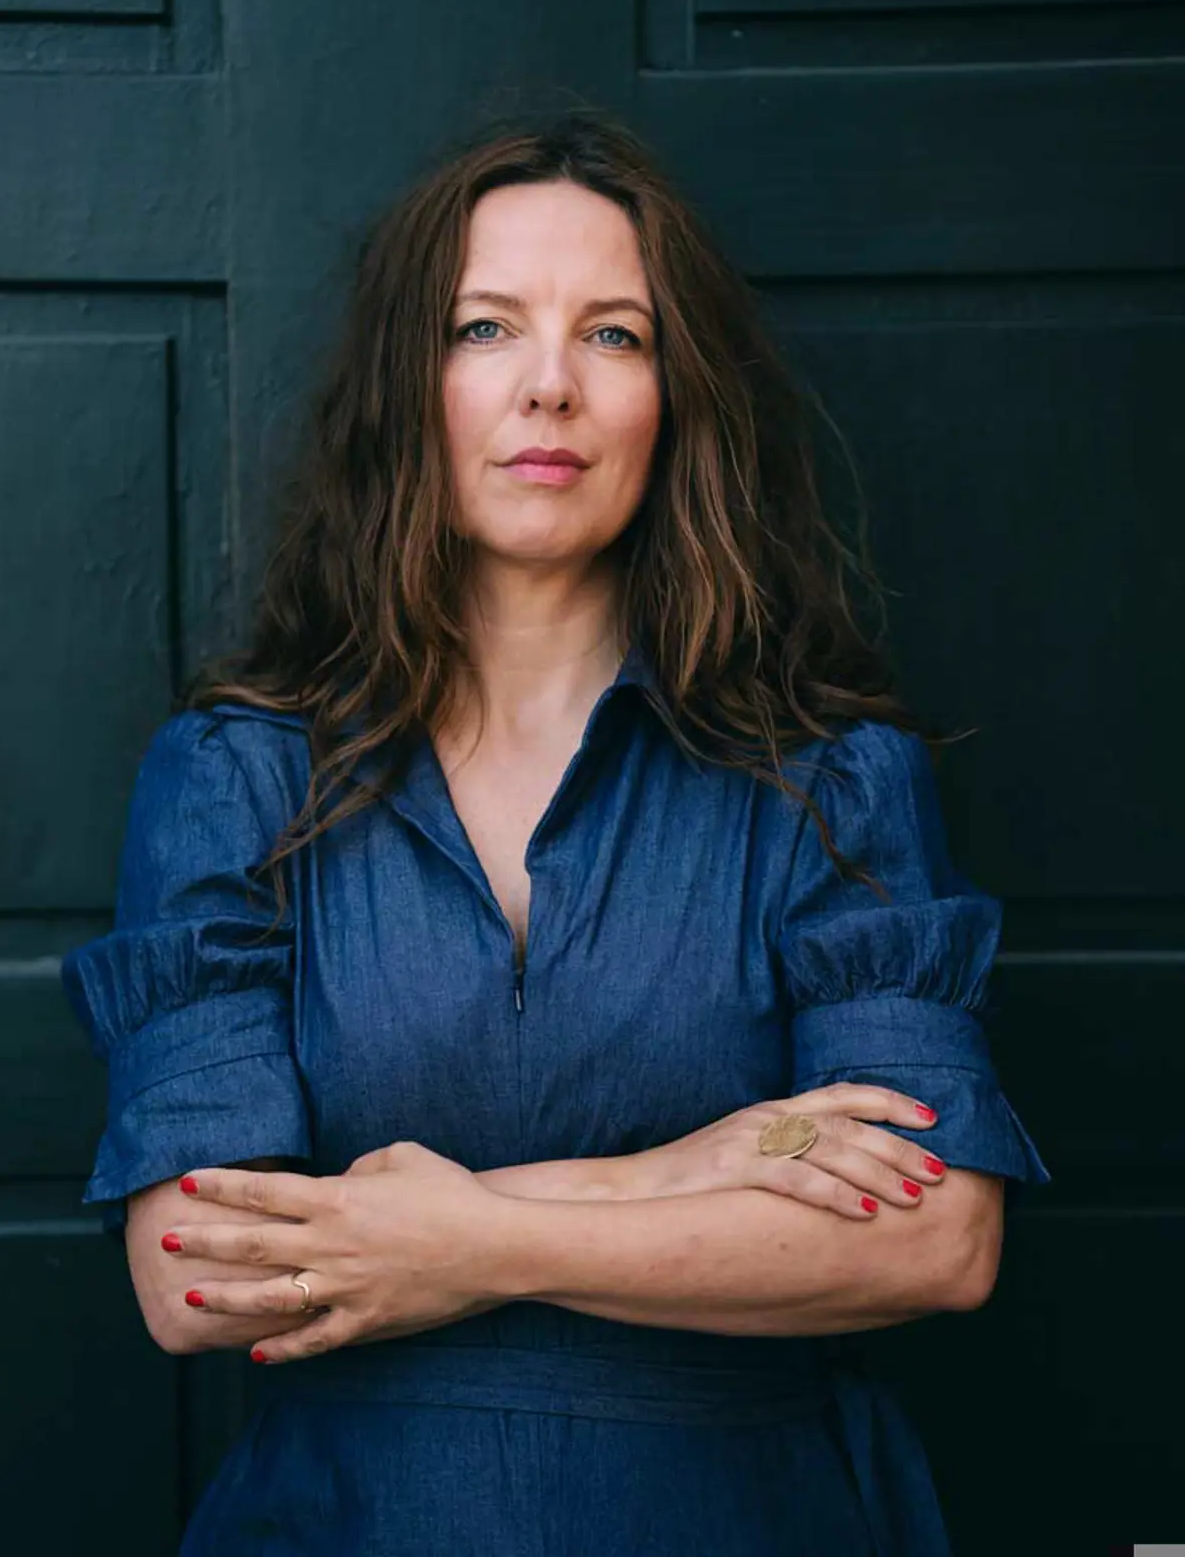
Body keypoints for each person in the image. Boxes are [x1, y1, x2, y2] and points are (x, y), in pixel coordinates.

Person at [61, 111, 1050, 1555]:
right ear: (408, 388)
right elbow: (195, 1277)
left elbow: (936, 1238)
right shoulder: (239, 776)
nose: (549, 385)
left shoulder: (831, 778)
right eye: (484, 328)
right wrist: (677, 1173)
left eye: (614, 335)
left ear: (676, 399)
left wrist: (467, 1240)